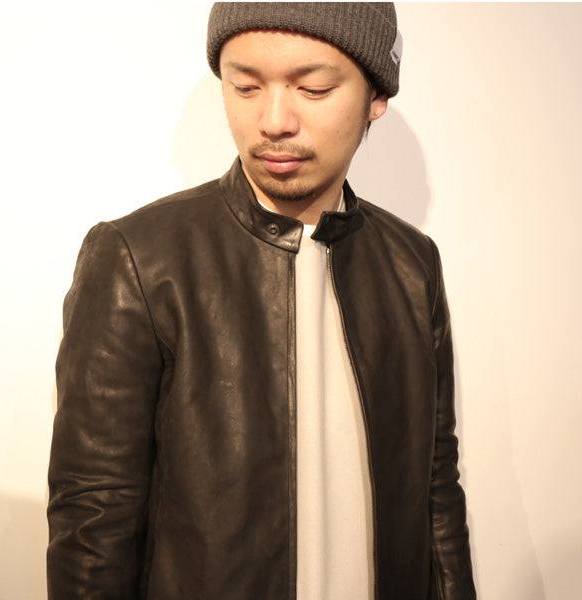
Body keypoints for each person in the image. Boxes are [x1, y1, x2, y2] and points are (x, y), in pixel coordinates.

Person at [47, 3, 476, 599]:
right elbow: (93, 516)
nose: (273, 121)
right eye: (245, 86)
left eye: (313, 88)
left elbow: (435, 487)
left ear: (376, 95)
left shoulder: (412, 264)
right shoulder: (138, 258)